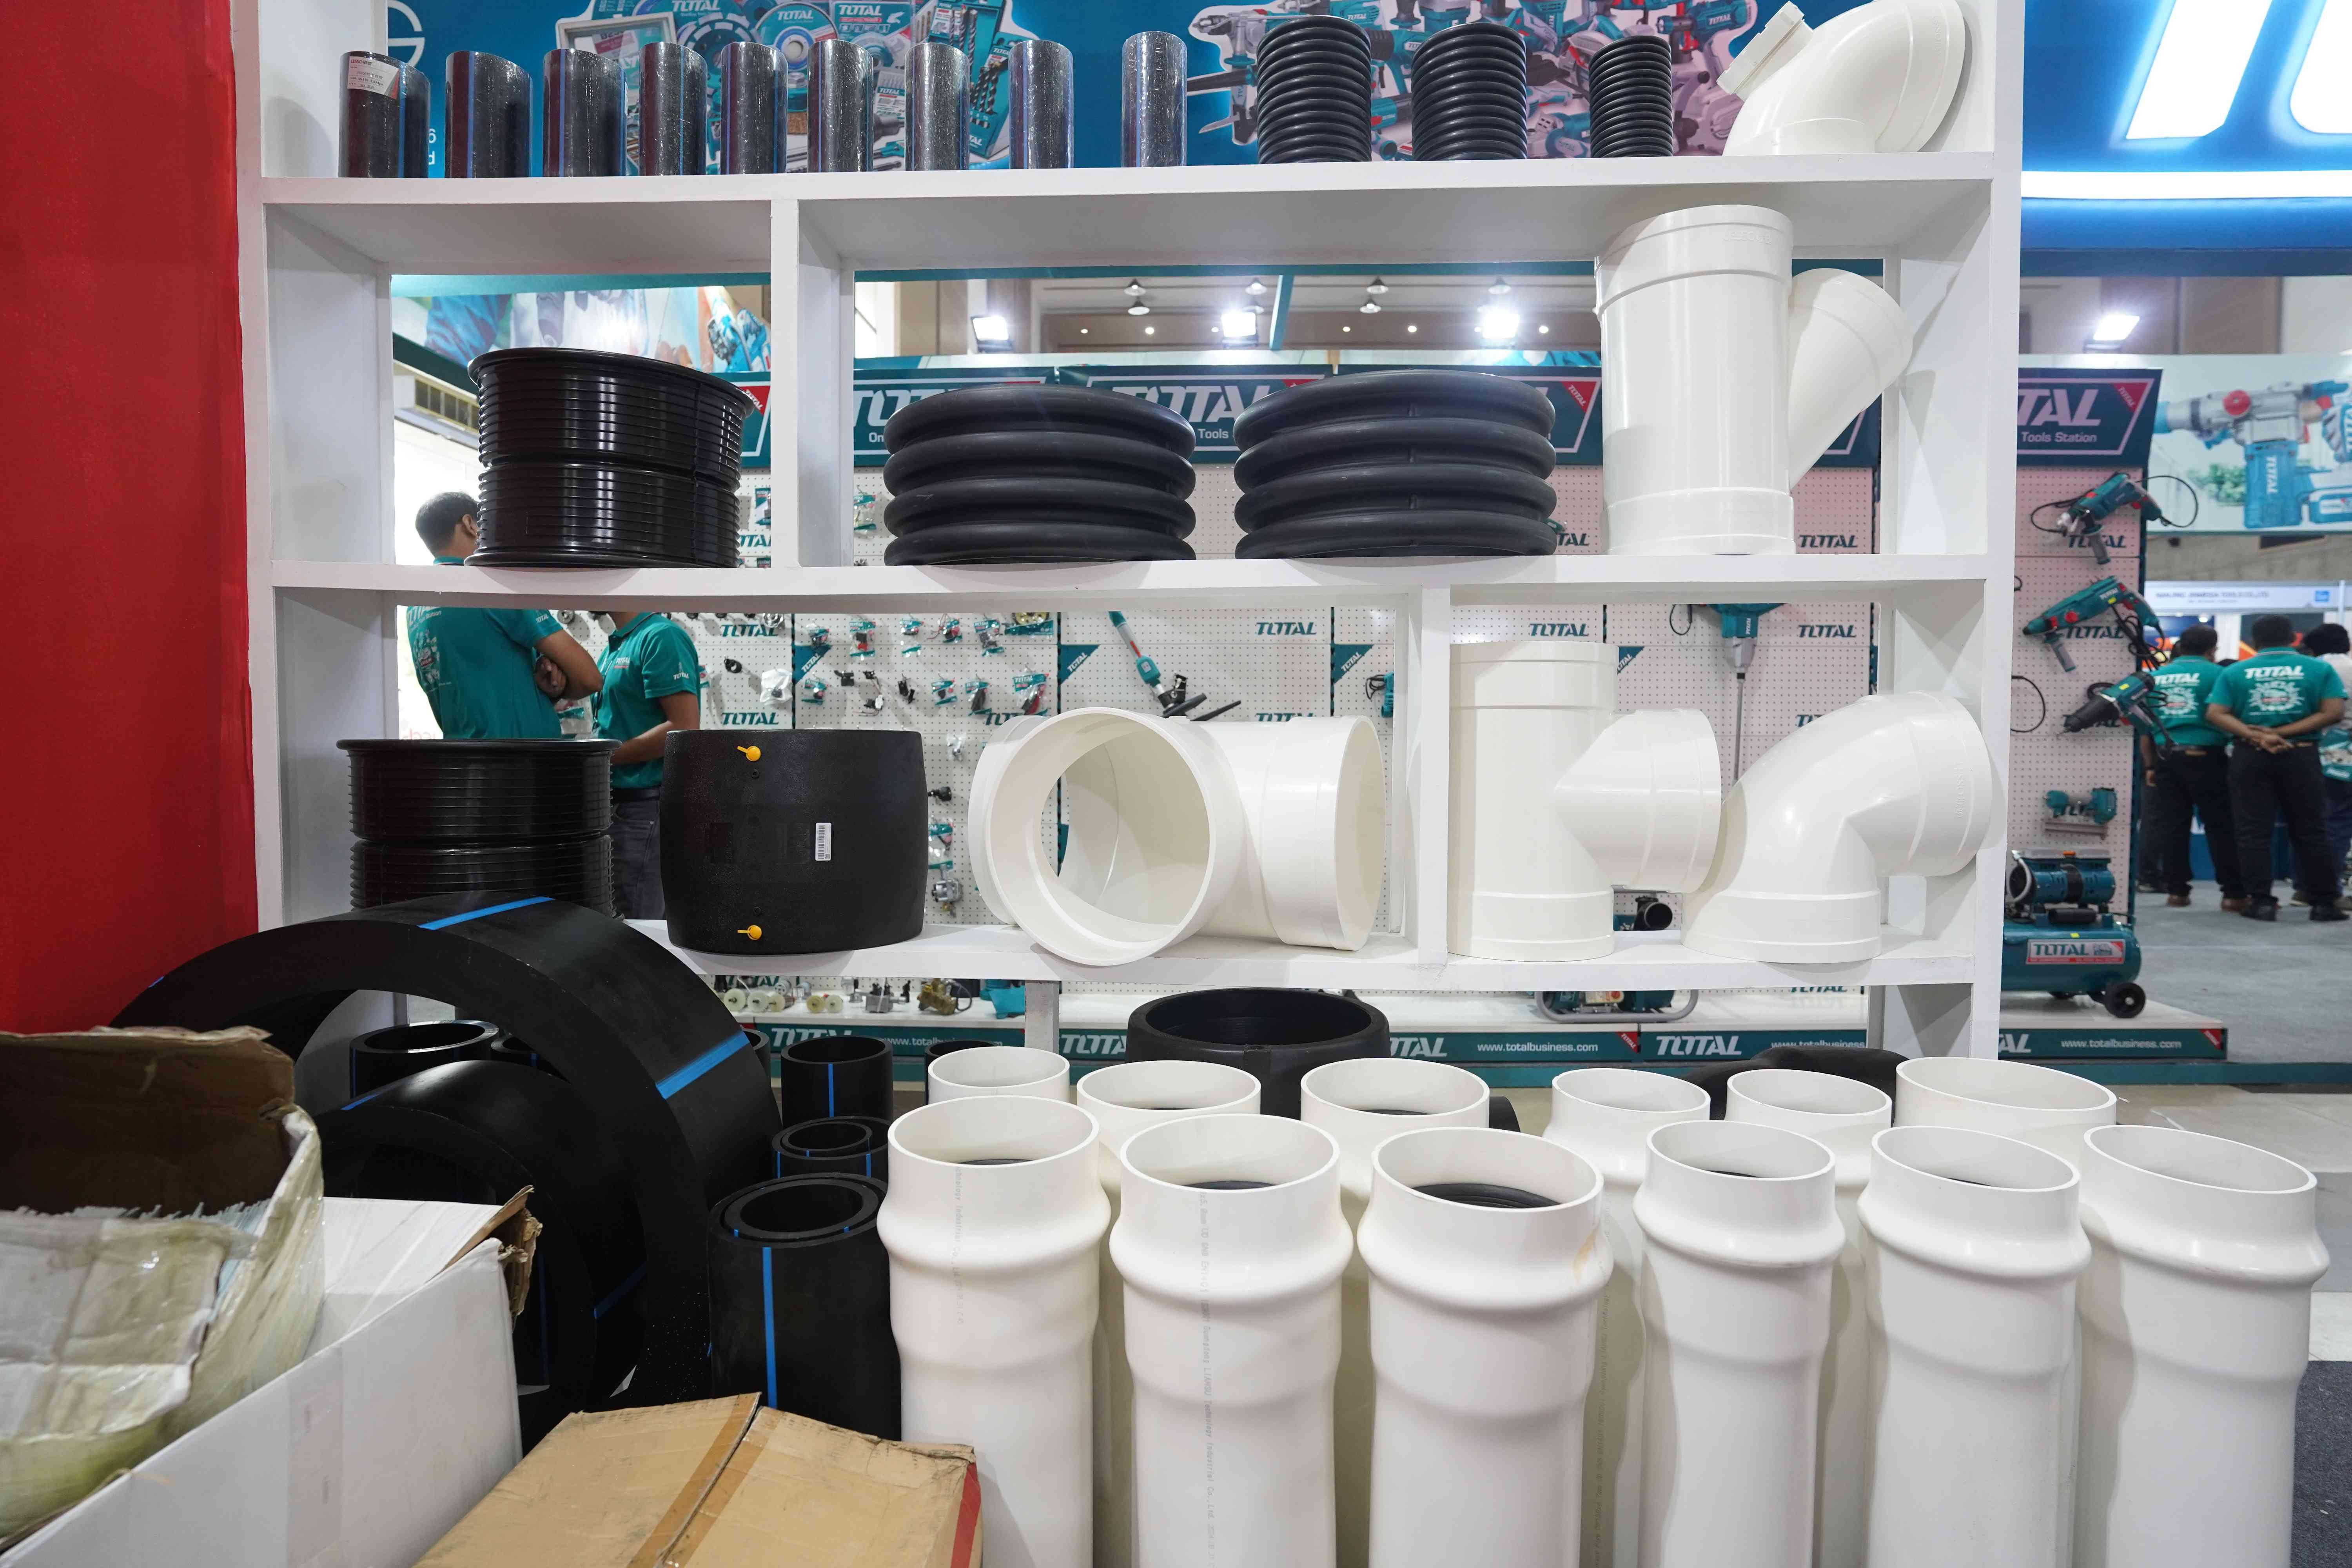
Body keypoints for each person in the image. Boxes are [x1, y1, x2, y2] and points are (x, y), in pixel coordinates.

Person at [405, 492, 599, 738]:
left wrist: (544, 686)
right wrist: (559, 689)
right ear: (470, 524)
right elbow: (590, 678)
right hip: (523, 756)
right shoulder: (492, 586)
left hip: (463, 756)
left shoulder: (416, 606)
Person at [2203, 613, 2349, 922]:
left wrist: (2257, 735)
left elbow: (2216, 713)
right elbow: (2334, 712)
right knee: (2311, 829)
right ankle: (2324, 903)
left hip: (2250, 755)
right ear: (2293, 639)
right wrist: (2284, 733)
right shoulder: (2318, 668)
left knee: (2253, 831)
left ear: (2255, 641)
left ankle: (2261, 902)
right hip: (2302, 755)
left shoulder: (2237, 671)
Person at [595, 611, 702, 919]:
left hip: (643, 809)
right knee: (622, 921)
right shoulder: (618, 644)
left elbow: (683, 727)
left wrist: (601, 758)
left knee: (635, 925)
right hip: (619, 808)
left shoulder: (660, 637)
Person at [2139, 624, 2246, 909]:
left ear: (2181, 646)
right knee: (2221, 826)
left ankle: (2177, 893)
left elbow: (2145, 729)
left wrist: (2150, 767)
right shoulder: (2221, 674)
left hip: (2166, 758)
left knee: (2173, 827)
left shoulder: (2154, 678)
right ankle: (2233, 894)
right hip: (2208, 757)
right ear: (2212, 649)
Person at [2303, 622, 2352, 882]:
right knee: (2339, 820)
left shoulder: (2309, 670)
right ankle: (2329, 885)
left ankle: (2307, 885)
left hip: (2312, 752)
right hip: (2346, 753)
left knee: (2310, 821)